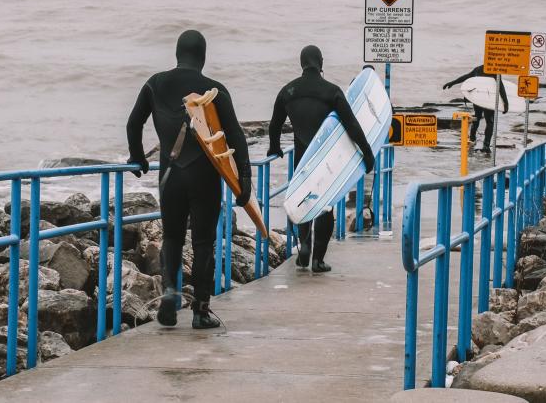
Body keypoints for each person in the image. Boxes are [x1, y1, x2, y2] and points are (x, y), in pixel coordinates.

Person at [126, 29, 252, 329]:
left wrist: (138, 158)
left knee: (171, 237)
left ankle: (170, 293)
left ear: (177, 54)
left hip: (170, 176)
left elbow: (134, 123)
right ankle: (201, 311)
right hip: (205, 176)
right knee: (203, 242)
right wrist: (244, 177)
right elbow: (235, 136)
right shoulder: (215, 89)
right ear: (203, 56)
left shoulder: (154, 83)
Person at [267, 45, 376, 273]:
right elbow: (352, 125)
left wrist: (274, 147)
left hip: (302, 159)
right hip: (327, 162)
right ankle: (318, 260)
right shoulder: (331, 91)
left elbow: (275, 124)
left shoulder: (288, 91)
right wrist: (366, 153)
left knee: (304, 200)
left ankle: (304, 243)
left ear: (301, 63)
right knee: (325, 207)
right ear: (321, 62)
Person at [442, 65, 509, 154]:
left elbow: (466, 77)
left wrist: (452, 83)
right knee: (489, 121)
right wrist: (505, 102)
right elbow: (500, 87)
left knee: (477, 117)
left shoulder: (479, 69)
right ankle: (485, 145)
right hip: (487, 100)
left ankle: (473, 139)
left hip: (479, 99)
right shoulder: (493, 70)